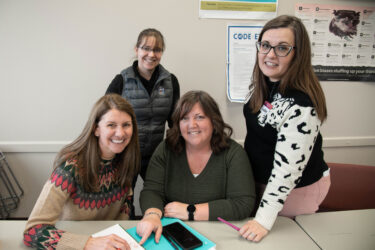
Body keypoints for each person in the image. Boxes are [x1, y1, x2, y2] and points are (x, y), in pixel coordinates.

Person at [241, 15, 331, 242]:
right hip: (263, 184)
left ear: (297, 54)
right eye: (265, 45)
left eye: (282, 48)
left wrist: (263, 219)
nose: (270, 54)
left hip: (292, 190)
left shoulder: (301, 105)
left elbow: (286, 172)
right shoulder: (267, 84)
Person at [136, 90, 256, 245]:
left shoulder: (233, 153)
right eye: (184, 118)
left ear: (214, 121)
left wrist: (190, 211)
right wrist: (152, 215)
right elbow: (152, 190)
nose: (192, 125)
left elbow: (242, 203)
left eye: (200, 117)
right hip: (172, 233)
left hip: (220, 235)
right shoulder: (166, 149)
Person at [23, 94, 140, 249]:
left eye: (126, 125)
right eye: (111, 125)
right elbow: (32, 231)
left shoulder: (126, 160)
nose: (120, 133)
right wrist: (88, 243)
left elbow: (125, 205)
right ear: (96, 129)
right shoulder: (70, 168)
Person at [106, 28, 180, 183]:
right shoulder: (121, 80)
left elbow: (175, 123)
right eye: (146, 48)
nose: (151, 55)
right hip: (125, 156)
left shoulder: (171, 81)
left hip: (156, 156)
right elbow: (105, 120)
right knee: (124, 203)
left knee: (160, 198)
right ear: (137, 49)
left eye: (157, 50)